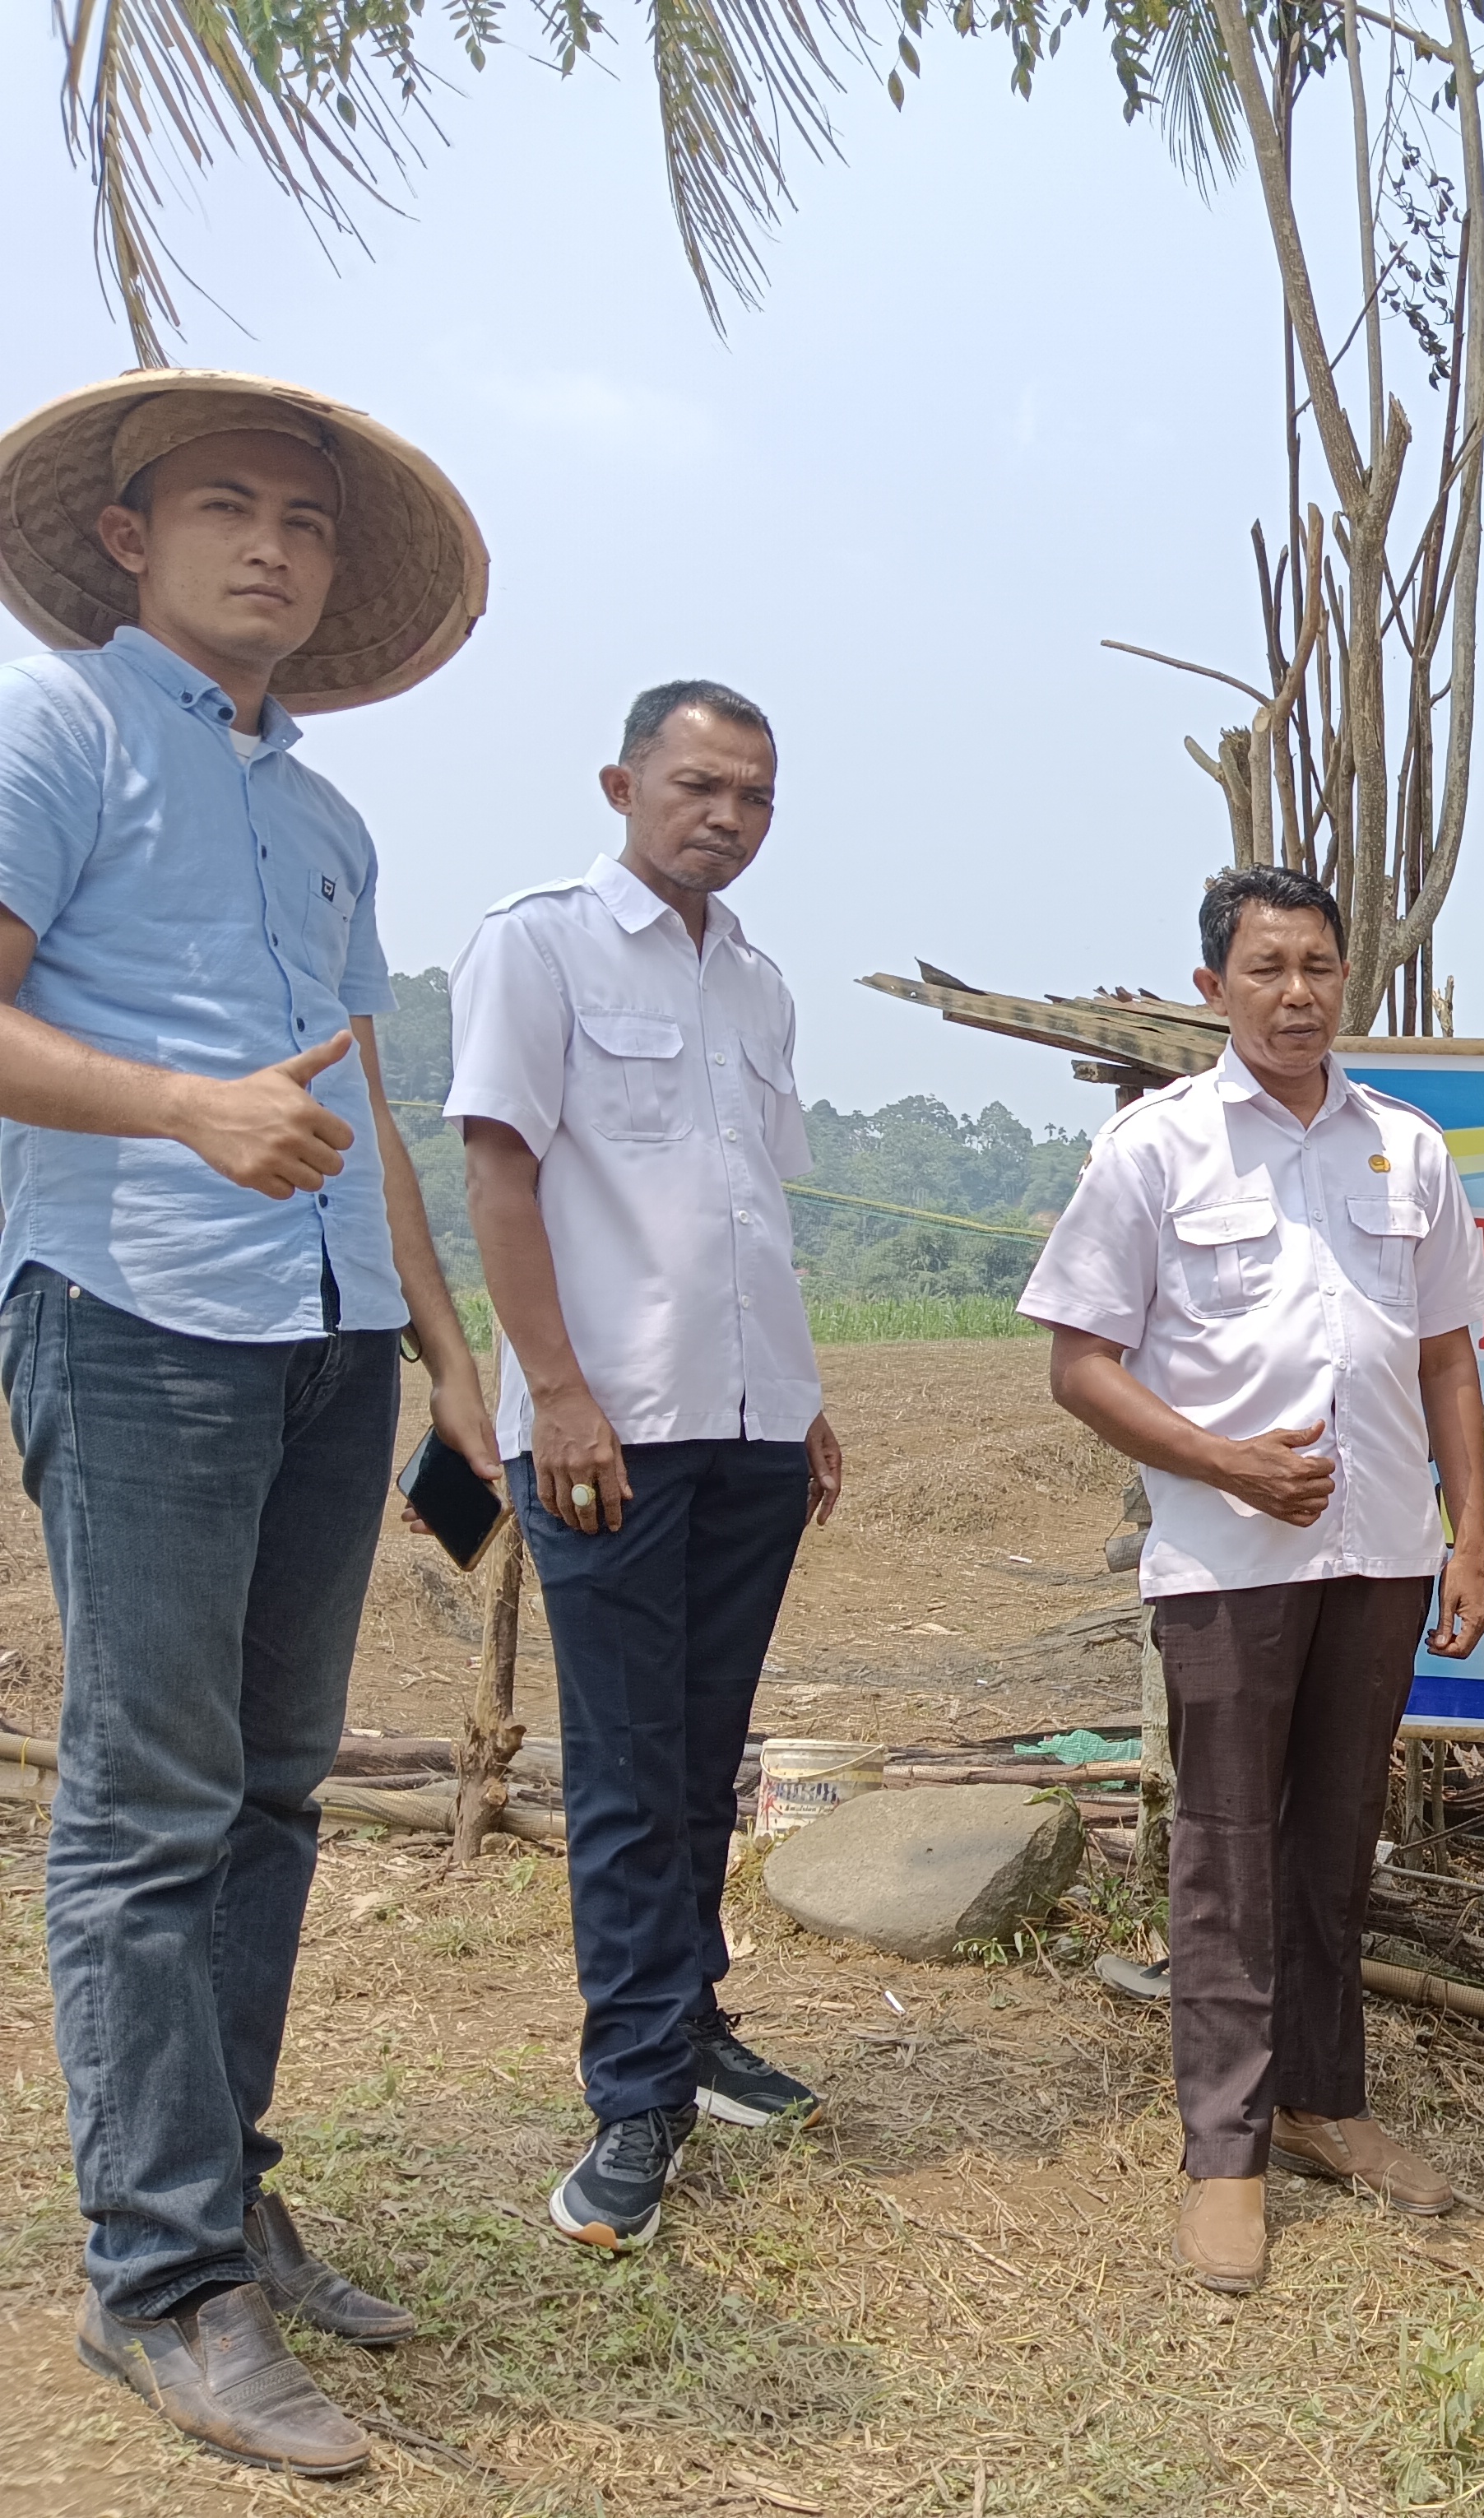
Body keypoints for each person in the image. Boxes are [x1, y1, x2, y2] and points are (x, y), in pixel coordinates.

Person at [0, 372, 493, 2475]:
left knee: (273, 1789)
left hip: (326, 1335)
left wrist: (448, 1346)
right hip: (133, 1311)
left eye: (302, 521)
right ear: (128, 537)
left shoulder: (324, 818)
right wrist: (184, 1105)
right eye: (229, 508)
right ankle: (158, 2282)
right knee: (149, 1796)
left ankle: (226, 2196)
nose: (273, 547)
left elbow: (359, 1088)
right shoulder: (57, 734)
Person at [1025, 865, 1484, 2295]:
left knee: (1336, 1842)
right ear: (1212, 988)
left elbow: (1448, 1359)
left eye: (1320, 967)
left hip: (1379, 1561)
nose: (1298, 993)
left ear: (1349, 982)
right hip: (1229, 1563)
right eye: (1269, 967)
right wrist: (1227, 1466)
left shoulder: (1407, 1150)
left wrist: (1467, 1532)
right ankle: (1223, 2151)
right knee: (1227, 1851)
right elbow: (1079, 1365)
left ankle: (1324, 2103)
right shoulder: (1158, 1153)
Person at [445, 679, 846, 2253]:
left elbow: (755, 1214)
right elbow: (500, 1173)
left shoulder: (759, 985)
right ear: (622, 784)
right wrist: (558, 1389)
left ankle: (689, 2023)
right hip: (606, 1428)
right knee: (625, 1770)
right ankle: (633, 2106)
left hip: (749, 1431)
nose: (727, 818)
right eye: (697, 787)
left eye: (753, 795)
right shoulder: (535, 944)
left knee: (704, 1746)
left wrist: (801, 1398)